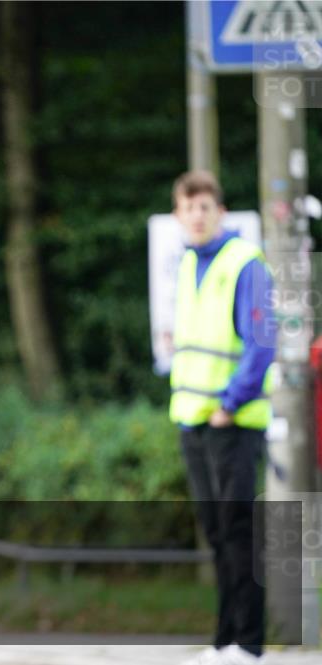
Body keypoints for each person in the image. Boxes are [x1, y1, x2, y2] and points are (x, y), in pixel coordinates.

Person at [170, 171, 274, 665]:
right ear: (177, 215)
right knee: (216, 532)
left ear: (220, 212)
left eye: (204, 206)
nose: (196, 215)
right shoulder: (189, 264)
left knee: (237, 532)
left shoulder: (245, 264)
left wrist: (230, 404)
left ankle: (248, 644)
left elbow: (262, 344)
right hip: (192, 420)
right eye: (188, 207)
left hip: (230, 421)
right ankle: (224, 641)